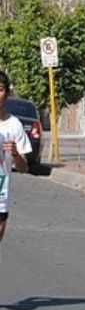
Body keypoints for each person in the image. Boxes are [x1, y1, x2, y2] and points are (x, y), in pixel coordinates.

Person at [0, 70, 31, 260]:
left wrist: (16, 154)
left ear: (7, 93)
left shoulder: (14, 125)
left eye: (0, 89)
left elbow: (23, 167)